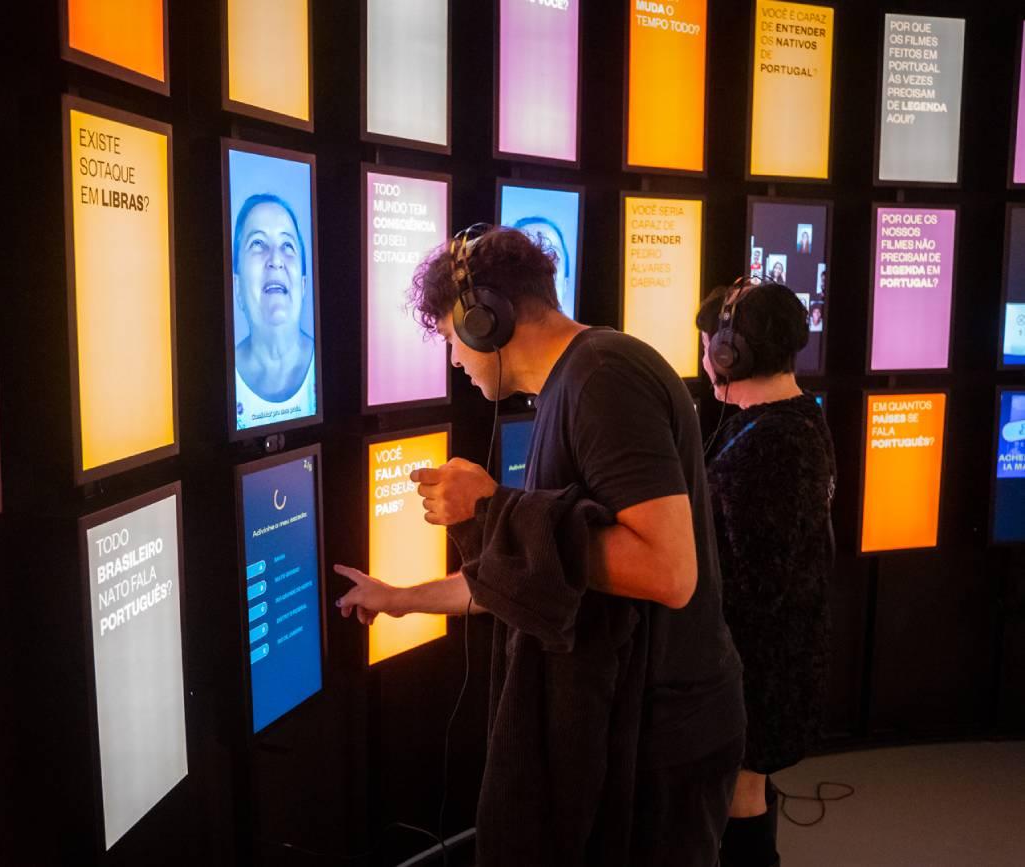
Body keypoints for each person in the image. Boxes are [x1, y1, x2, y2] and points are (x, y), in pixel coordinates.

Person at [335, 226, 745, 866]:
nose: (455, 362)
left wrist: (492, 507)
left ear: (484, 322)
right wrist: (401, 598)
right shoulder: (577, 380)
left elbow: (670, 571)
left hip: (660, 742)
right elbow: (543, 567)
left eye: (450, 339)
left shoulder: (602, 379)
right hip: (637, 731)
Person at [696, 279, 836, 867]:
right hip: (770, 659)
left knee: (740, 797)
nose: (704, 357)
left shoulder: (771, 444)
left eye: (709, 344)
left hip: (758, 668)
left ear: (732, 353)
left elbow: (758, 584)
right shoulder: (783, 420)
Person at [231, 193, 316, 430]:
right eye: (257, 243)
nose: (276, 259)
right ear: (237, 287)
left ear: (303, 285)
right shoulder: (215, 382)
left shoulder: (333, 375)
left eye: (287, 245)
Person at [513, 215, 574, 318]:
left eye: (552, 255)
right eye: (526, 256)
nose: (541, 265)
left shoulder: (589, 334)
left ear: (565, 284)